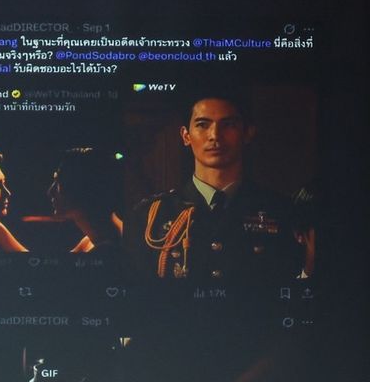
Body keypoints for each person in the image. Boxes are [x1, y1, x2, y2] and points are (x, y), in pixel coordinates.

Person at [128, 92, 305, 281]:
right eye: (202, 125)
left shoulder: (282, 211)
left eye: (228, 125)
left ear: (247, 133)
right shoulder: (150, 216)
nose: (214, 136)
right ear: (186, 136)